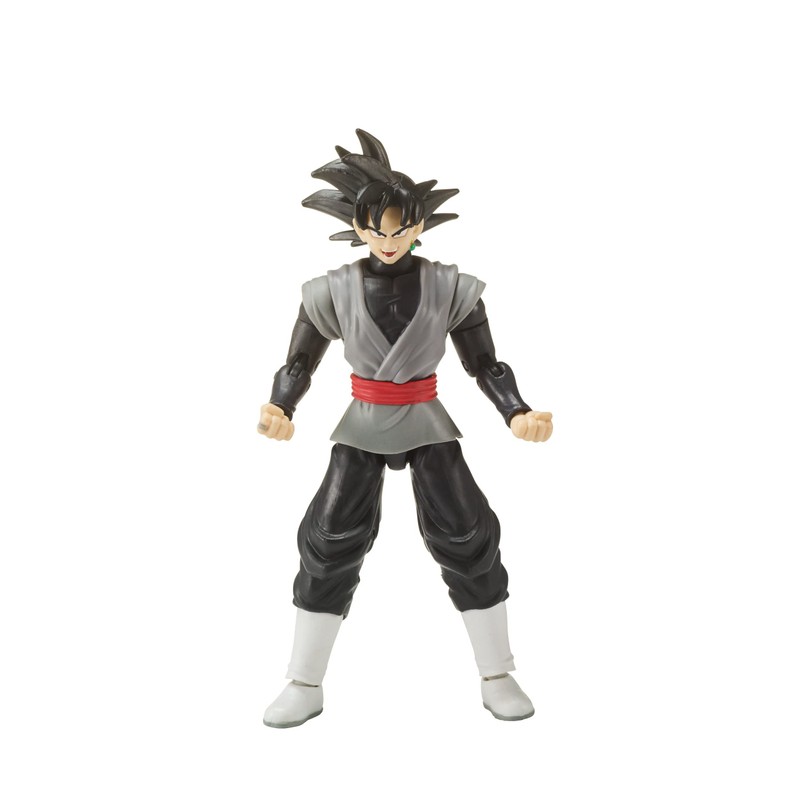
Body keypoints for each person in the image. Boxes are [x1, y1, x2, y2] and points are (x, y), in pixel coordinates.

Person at [259, 130, 553, 728]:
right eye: (377, 230)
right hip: (363, 422)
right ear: (358, 227)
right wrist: (280, 406)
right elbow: (299, 361)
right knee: (328, 541)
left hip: (426, 419)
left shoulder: (451, 288)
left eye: (400, 229)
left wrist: (516, 410)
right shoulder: (331, 290)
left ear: (418, 226)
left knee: (468, 535)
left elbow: (485, 363)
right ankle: (304, 681)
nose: (389, 241)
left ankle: (497, 673)